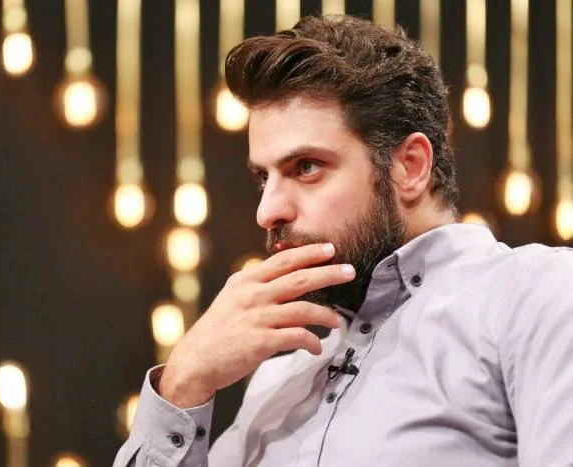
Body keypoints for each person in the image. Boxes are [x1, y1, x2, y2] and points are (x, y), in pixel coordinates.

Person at [114, 14, 573, 467]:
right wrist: (182, 383)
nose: (267, 211)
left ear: (410, 166)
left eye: (306, 167)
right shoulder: (277, 384)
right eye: (263, 178)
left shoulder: (539, 296)